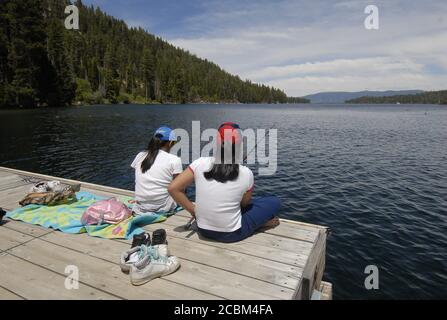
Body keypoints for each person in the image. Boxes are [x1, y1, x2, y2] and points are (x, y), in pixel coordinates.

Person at [168, 122, 280, 243]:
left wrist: (194, 211)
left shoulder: (199, 163)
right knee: (274, 201)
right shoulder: (246, 173)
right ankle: (260, 224)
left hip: (203, 229)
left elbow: (173, 188)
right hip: (231, 234)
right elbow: (243, 205)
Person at [131, 126, 182, 215]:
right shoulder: (174, 160)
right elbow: (179, 188)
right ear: (170, 143)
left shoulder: (141, 155)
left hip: (141, 206)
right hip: (163, 207)